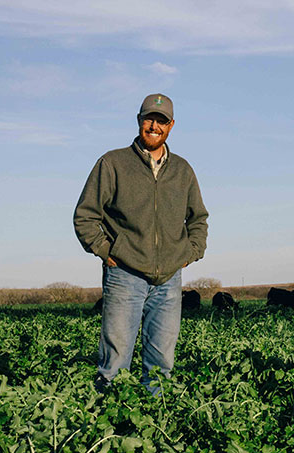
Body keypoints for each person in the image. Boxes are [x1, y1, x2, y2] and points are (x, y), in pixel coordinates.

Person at [74, 93, 208, 393]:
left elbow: (198, 218)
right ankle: (108, 427)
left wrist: (190, 252)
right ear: (139, 121)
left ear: (171, 125)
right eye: (149, 119)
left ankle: (155, 425)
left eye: (161, 121)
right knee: (115, 362)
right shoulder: (113, 163)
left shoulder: (183, 170)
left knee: (161, 365)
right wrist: (108, 252)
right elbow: (85, 215)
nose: (154, 126)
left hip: (169, 279)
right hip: (125, 276)